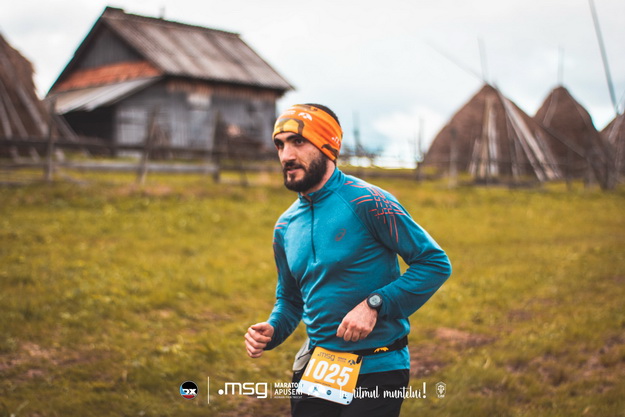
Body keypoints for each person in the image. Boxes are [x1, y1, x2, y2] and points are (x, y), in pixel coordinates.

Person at [244, 103, 452, 417]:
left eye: (298, 142)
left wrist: (374, 304)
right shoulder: (284, 227)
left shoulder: (369, 202)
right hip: (321, 365)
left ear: (327, 146)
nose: (286, 155)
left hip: (378, 364)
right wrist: (273, 329)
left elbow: (433, 262)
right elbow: (290, 298)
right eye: (280, 145)